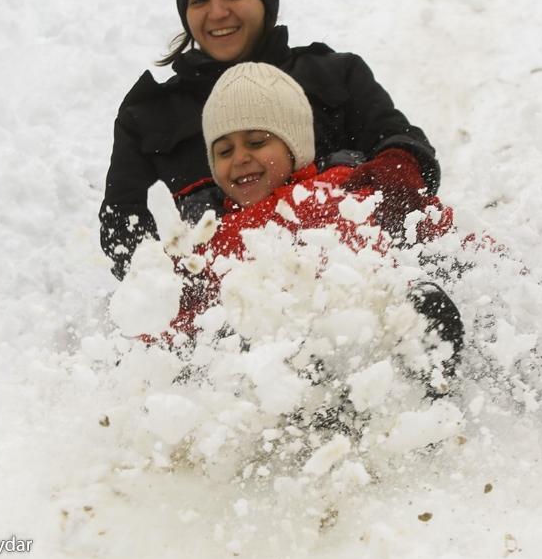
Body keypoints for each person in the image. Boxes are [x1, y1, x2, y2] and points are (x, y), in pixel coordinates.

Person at [100, 0, 442, 280]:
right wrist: (167, 279)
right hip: (229, 298)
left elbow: (401, 141)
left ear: (265, 1)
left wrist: (395, 174)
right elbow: (122, 224)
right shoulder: (149, 114)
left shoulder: (334, 73)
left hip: (352, 270)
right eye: (199, 1)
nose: (217, 12)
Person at [170, 62, 464, 369]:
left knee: (418, 299)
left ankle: (425, 376)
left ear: (294, 146)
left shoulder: (339, 188)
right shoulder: (207, 232)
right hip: (270, 363)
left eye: (257, 142)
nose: (240, 158)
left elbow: (430, 230)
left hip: (362, 332)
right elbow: (175, 313)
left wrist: (463, 253)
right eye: (224, 152)